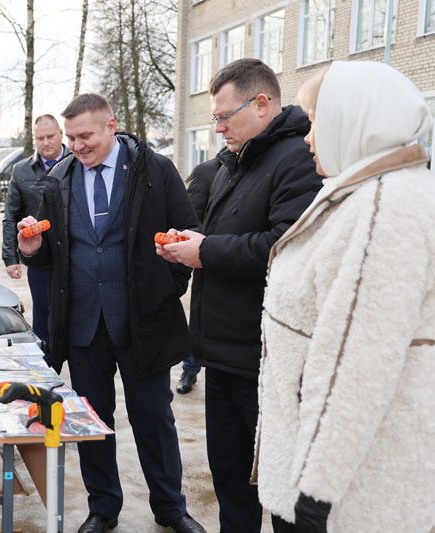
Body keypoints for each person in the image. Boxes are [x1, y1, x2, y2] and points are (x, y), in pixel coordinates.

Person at [256, 61, 435, 533]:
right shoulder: (362, 192)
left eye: (315, 121)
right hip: (325, 463)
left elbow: (357, 361)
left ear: (353, 120)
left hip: (344, 489)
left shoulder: (384, 207)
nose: (308, 138)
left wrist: (317, 491)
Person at [18, 94, 205, 533]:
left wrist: (167, 289)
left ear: (111, 126)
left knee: (153, 419)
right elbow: (48, 253)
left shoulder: (154, 171)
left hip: (141, 323)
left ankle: (170, 508)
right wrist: (32, 251)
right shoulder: (60, 177)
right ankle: (103, 508)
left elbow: (190, 232)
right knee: (93, 422)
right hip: (84, 327)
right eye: (71, 138)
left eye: (85, 136)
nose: (77, 146)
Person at [156, 58, 322, 533]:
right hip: (222, 353)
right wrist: (188, 239)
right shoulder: (235, 160)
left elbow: (284, 244)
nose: (219, 127)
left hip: (266, 359)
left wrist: (204, 250)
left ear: (263, 103)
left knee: (281, 490)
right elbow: (227, 231)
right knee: (230, 480)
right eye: (215, 117)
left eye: (225, 116)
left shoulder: (296, 159)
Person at [2, 114, 69, 351]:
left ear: (61, 133)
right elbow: (11, 215)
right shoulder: (21, 171)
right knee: (43, 317)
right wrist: (10, 257)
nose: (46, 142)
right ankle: (46, 369)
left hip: (74, 256)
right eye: (40, 138)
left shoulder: (78, 162)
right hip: (39, 258)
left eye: (50, 136)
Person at [176, 157, 221, 395]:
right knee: (200, 319)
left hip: (245, 267)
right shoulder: (207, 172)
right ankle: (190, 369)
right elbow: (190, 221)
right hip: (208, 264)